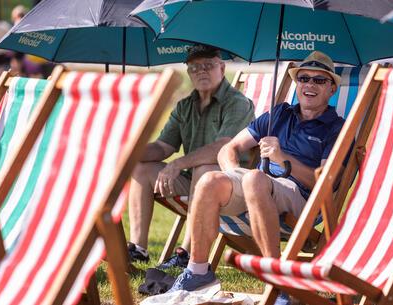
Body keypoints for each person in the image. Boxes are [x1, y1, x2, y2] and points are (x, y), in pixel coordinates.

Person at [167, 51, 344, 304]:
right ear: (297, 83)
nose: (309, 85)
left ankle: (277, 280)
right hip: (258, 187)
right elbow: (229, 149)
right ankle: (198, 272)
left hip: (303, 197)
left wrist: (284, 159)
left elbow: (324, 182)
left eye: (319, 80)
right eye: (304, 78)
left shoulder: (336, 127)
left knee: (254, 180)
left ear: (332, 89)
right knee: (209, 181)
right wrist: (232, 172)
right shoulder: (279, 114)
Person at [128, 44, 255, 268]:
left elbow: (223, 147)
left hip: (231, 187)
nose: (201, 71)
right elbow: (163, 147)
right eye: (195, 67)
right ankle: (138, 249)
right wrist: (128, 153)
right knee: (142, 168)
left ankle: (187, 252)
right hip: (194, 182)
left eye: (208, 65)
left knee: (205, 168)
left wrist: (178, 163)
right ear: (188, 72)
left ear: (222, 68)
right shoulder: (185, 106)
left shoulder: (237, 103)